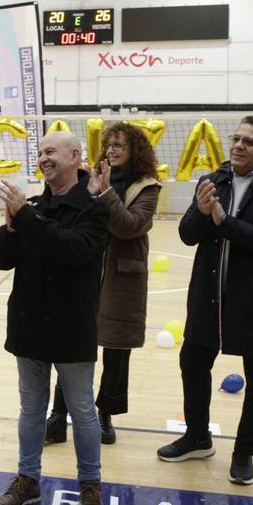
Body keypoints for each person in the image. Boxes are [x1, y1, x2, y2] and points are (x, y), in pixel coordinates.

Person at [157, 116, 253, 486]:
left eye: (249, 141)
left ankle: (243, 454)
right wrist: (203, 215)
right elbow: (188, 234)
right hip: (208, 297)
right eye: (235, 138)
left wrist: (224, 223)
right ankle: (197, 438)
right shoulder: (212, 181)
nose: (238, 145)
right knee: (193, 362)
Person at [0, 131, 110, 505]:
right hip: (28, 326)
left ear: (75, 156)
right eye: (40, 152)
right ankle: (28, 478)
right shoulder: (33, 206)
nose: (43, 157)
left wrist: (25, 217)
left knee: (82, 412)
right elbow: (0, 261)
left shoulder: (94, 208)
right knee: (31, 410)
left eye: (51, 151)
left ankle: (90, 485)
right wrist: (9, 228)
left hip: (72, 327)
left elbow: (75, 250)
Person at [45, 122, 161, 446]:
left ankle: (105, 416)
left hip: (123, 275)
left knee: (116, 351)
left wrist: (106, 194)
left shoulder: (147, 187)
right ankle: (58, 416)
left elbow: (129, 226)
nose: (112, 150)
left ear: (134, 150)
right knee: (72, 346)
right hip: (86, 269)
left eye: (120, 145)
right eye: (109, 145)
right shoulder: (92, 178)